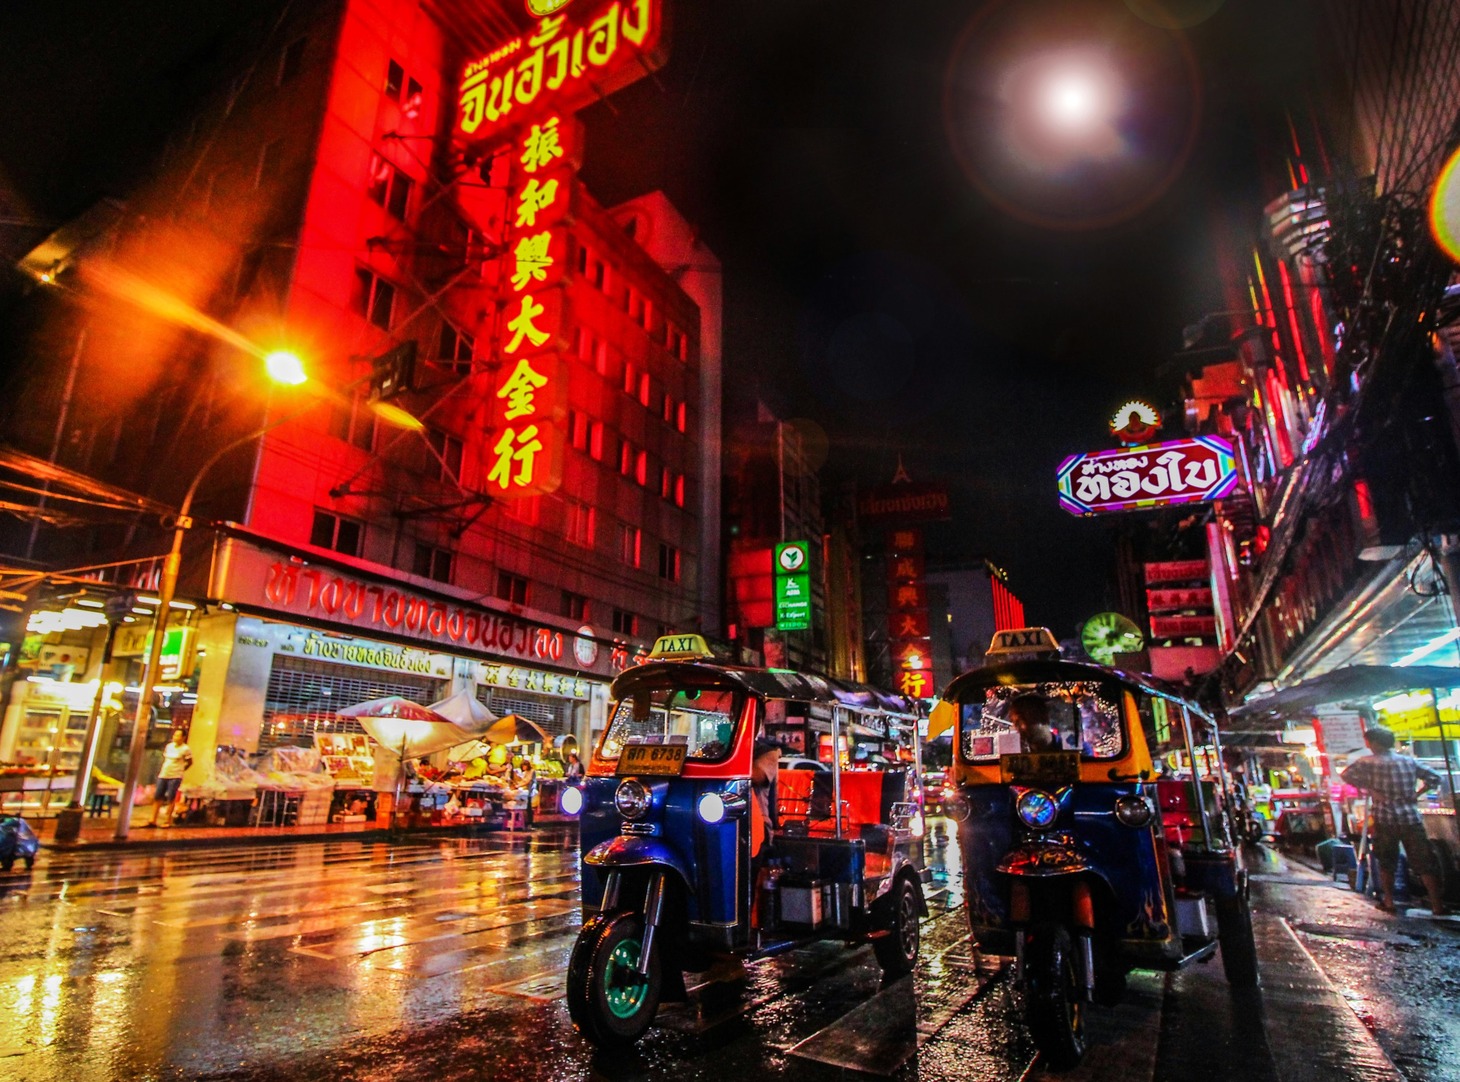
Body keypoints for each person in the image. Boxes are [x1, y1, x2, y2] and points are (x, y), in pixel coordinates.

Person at [1341, 726, 1448, 916]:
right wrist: (1417, 793)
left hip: (1385, 818)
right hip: (1410, 818)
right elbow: (1435, 777)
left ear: (1375, 743)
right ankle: (1437, 905)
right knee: (1424, 862)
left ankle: (1389, 901)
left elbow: (1346, 775)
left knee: (1386, 861)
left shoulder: (1368, 762)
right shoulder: (1408, 761)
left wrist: (1370, 789)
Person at [147, 728, 192, 828]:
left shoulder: (185, 749)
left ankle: (168, 820)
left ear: (183, 737)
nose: (175, 737)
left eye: (178, 735)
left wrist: (181, 769)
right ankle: (153, 819)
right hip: (164, 774)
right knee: (158, 796)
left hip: (175, 776)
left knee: (171, 798)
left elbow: (190, 762)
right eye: (175, 735)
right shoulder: (169, 746)